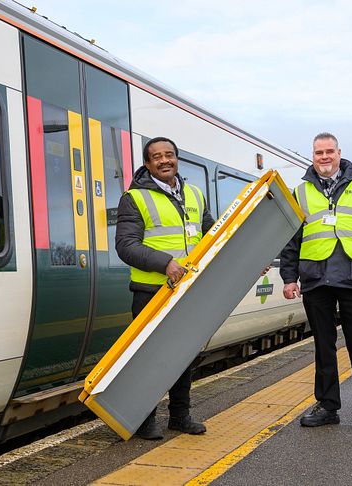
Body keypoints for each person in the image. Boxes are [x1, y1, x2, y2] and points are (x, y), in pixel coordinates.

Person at [280, 132, 352, 431]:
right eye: (319, 152)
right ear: (313, 156)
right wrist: (288, 277)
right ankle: (328, 406)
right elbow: (291, 240)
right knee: (323, 345)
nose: (324, 157)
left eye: (329, 151)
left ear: (339, 153)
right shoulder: (301, 191)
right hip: (316, 278)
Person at [115, 136, 215, 440]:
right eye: (156, 157)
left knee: (182, 355)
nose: (164, 160)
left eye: (169, 155)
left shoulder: (195, 195)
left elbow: (213, 236)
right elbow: (125, 245)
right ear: (147, 164)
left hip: (186, 291)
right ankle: (144, 420)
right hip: (151, 292)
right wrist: (166, 263)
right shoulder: (134, 198)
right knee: (149, 359)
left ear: (176, 159)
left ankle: (180, 416)